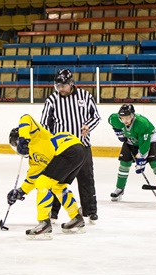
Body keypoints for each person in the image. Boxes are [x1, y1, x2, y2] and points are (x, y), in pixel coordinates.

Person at [7, 114, 86, 239]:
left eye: (15, 145)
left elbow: (25, 117)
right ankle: (76, 217)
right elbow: (33, 177)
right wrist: (20, 191)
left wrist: (24, 138)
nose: (17, 149)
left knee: (43, 183)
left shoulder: (36, 134)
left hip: (68, 149)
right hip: (77, 153)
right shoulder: (35, 159)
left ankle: (44, 222)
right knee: (58, 187)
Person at [40, 68, 101, 224]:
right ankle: (53, 213)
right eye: (58, 86)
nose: (60, 89)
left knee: (86, 179)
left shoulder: (85, 96)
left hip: (83, 146)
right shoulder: (52, 100)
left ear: (71, 83)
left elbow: (96, 116)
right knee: (56, 180)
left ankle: (90, 211)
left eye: (63, 85)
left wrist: (88, 126)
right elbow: (44, 124)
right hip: (61, 150)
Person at [108, 104, 156, 203]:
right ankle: (119, 189)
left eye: (127, 117)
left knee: (155, 164)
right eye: (122, 118)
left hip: (150, 141)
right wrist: (117, 130)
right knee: (124, 164)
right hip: (131, 141)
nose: (125, 120)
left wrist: (141, 160)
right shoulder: (116, 119)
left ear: (133, 115)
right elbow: (111, 120)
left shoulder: (142, 123)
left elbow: (145, 144)